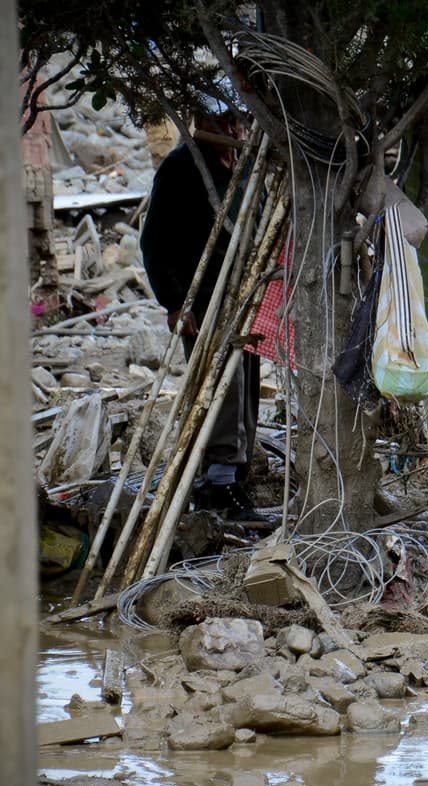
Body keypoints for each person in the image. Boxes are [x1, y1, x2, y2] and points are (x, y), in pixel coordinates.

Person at [141, 110, 265, 523]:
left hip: (244, 293)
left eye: (237, 122)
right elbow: (156, 240)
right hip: (204, 299)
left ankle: (235, 473)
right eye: (222, 122)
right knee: (219, 386)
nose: (232, 131)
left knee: (245, 383)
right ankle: (219, 479)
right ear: (200, 123)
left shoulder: (246, 164)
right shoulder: (181, 167)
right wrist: (176, 302)